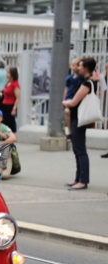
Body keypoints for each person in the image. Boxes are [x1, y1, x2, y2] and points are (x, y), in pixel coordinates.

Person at [62, 57, 98, 191]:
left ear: (86, 68)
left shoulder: (86, 84)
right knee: (77, 149)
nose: (79, 67)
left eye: (81, 65)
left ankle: (83, 180)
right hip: (76, 117)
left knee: (80, 150)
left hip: (79, 119)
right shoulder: (85, 81)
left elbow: (73, 102)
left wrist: (64, 102)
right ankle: (78, 178)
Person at [63, 57, 83, 143]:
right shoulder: (69, 78)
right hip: (69, 98)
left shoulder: (82, 78)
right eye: (72, 64)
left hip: (77, 99)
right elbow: (66, 89)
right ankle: (69, 131)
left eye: (75, 65)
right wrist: (64, 99)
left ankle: (72, 132)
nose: (73, 66)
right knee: (67, 112)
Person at [0, 66, 20, 133]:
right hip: (4, 104)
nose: (7, 74)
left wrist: (14, 108)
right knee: (4, 121)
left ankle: (12, 135)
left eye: (8, 72)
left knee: (10, 122)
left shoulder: (15, 84)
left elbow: (17, 97)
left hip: (10, 105)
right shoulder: (8, 83)